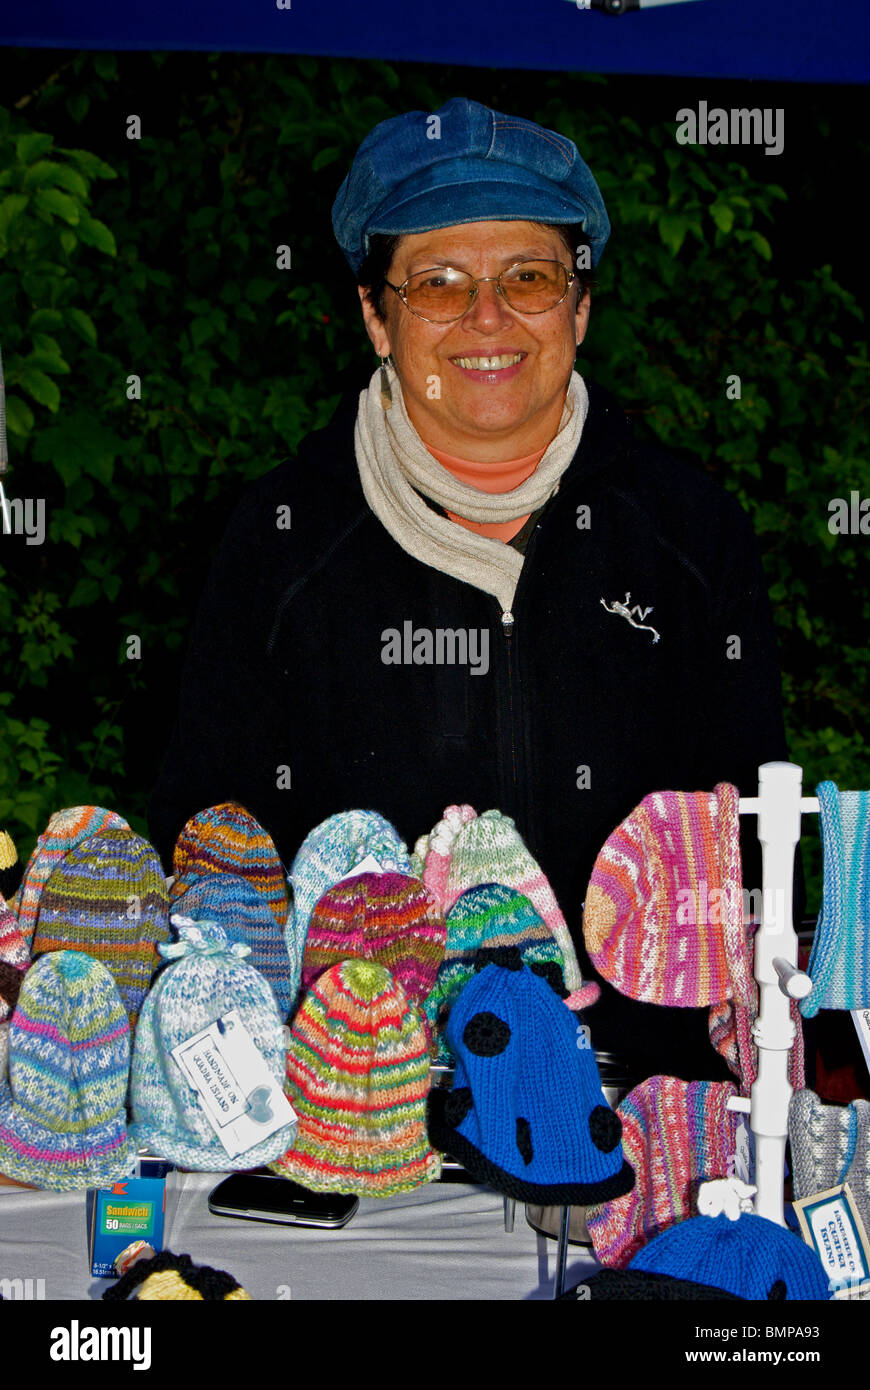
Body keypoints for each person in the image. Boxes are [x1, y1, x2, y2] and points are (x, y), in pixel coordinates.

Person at [149, 97, 791, 1084]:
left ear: (580, 306)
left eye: (528, 278)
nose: (487, 319)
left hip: (642, 1095)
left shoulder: (691, 533)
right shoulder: (279, 540)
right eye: (437, 285)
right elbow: (215, 850)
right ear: (374, 315)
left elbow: (750, 837)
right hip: (365, 1107)